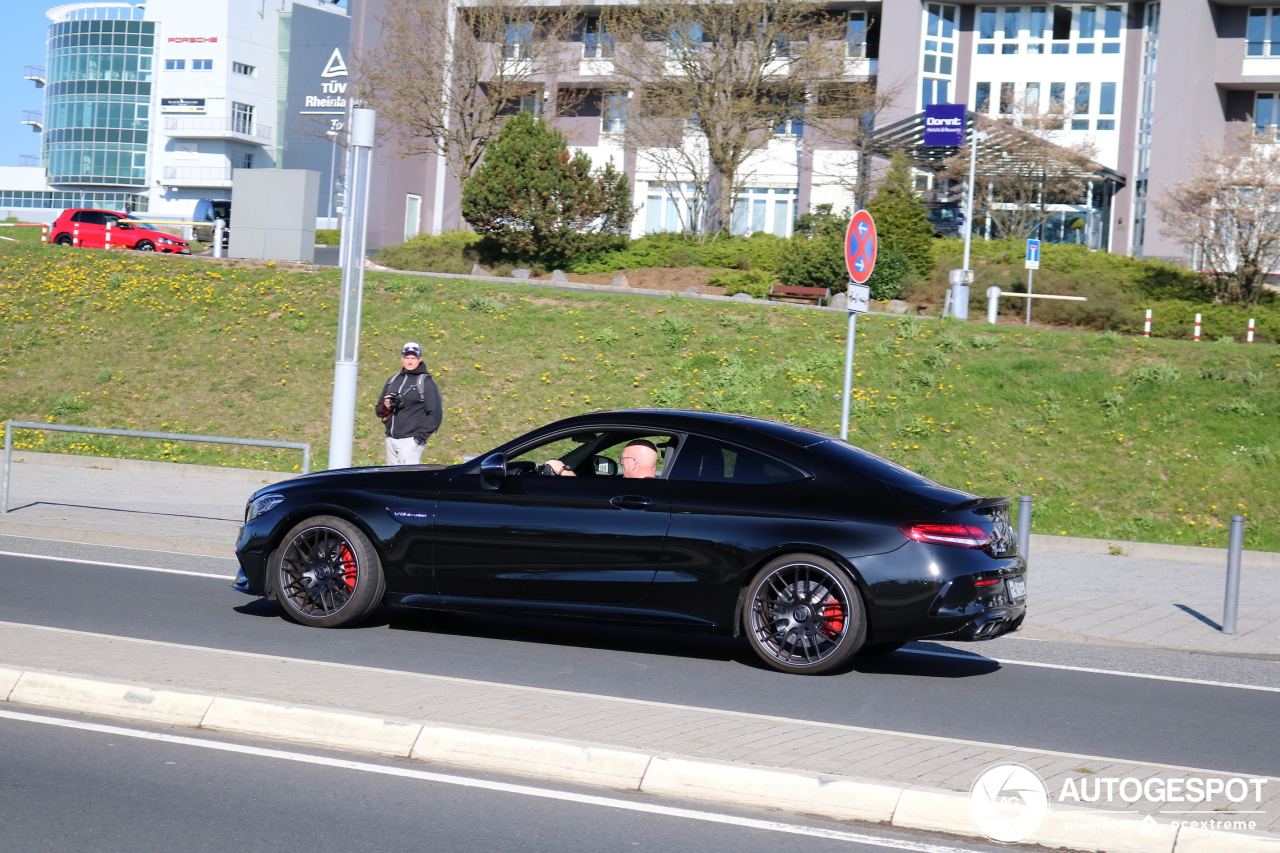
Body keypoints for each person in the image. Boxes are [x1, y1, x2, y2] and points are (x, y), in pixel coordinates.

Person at [375, 342, 443, 466]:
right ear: (401, 359)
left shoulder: (425, 382)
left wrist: (417, 439)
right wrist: (386, 407)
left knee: (406, 480)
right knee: (392, 482)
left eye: (413, 358)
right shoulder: (393, 380)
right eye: (407, 357)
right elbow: (379, 410)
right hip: (390, 440)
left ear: (420, 359)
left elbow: (435, 414)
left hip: (410, 442)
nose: (410, 361)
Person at [545, 440, 659, 479]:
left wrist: (562, 471)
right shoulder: (656, 488)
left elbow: (587, 495)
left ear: (634, 462)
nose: (621, 462)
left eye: (623, 458)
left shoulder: (637, 488)